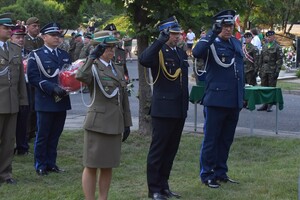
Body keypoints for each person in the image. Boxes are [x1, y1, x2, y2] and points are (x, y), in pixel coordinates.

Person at [75, 31, 132, 200]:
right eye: (108, 48)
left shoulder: (117, 67)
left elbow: (123, 98)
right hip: (98, 123)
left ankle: (103, 198)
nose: (112, 51)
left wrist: (127, 122)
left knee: (108, 165)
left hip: (115, 122)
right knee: (91, 165)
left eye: (113, 47)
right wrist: (92, 57)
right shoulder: (91, 66)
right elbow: (80, 77)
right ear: (98, 48)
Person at [193, 9, 245, 188]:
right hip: (216, 100)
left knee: (226, 139)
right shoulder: (210, 43)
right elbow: (197, 52)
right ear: (217, 26)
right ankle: (207, 174)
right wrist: (211, 33)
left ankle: (220, 172)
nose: (228, 29)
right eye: (224, 26)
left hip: (233, 100)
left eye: (230, 25)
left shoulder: (236, 43)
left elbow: (239, 71)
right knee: (211, 139)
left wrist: (241, 97)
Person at [139, 16, 189, 200]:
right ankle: (154, 189)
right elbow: (144, 59)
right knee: (158, 151)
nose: (178, 37)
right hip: (163, 109)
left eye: (178, 34)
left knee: (170, 151)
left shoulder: (179, 53)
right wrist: (159, 40)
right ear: (166, 33)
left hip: (178, 109)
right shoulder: (158, 51)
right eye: (174, 34)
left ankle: (164, 185)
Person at [27, 22, 72, 176]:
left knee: (55, 135)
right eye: (53, 35)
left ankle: (51, 163)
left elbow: (70, 75)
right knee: (43, 135)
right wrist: (52, 88)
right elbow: (33, 77)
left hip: (62, 100)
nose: (56, 38)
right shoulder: (36, 54)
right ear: (44, 37)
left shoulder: (65, 55)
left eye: (58, 35)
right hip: (46, 100)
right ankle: (40, 164)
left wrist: (71, 86)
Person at [0, 13, 28, 185]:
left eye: (10, 28)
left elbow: (19, 79)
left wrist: (23, 100)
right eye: (5, 28)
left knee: (9, 141)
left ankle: (5, 173)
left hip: (12, 102)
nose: (9, 31)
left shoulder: (14, 49)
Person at [10, 25, 31, 155]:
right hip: (12, 88)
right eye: (17, 37)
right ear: (11, 38)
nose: (21, 40)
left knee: (24, 117)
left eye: (22, 37)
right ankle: (9, 145)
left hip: (27, 87)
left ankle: (22, 146)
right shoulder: (8, 52)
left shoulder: (29, 52)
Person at [24, 17, 44, 141]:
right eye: (34, 26)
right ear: (28, 27)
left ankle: (34, 130)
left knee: (37, 106)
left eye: (38, 26)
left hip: (39, 77)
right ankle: (28, 132)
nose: (36, 28)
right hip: (28, 77)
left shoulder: (40, 41)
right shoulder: (24, 40)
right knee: (29, 106)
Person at [257, 30, 283, 112]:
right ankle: (265, 103)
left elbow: (279, 60)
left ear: (273, 37)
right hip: (264, 69)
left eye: (270, 37)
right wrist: (259, 69)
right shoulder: (265, 46)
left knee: (271, 87)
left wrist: (277, 71)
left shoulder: (277, 47)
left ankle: (270, 104)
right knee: (264, 87)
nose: (268, 38)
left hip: (272, 69)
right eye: (267, 37)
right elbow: (261, 58)